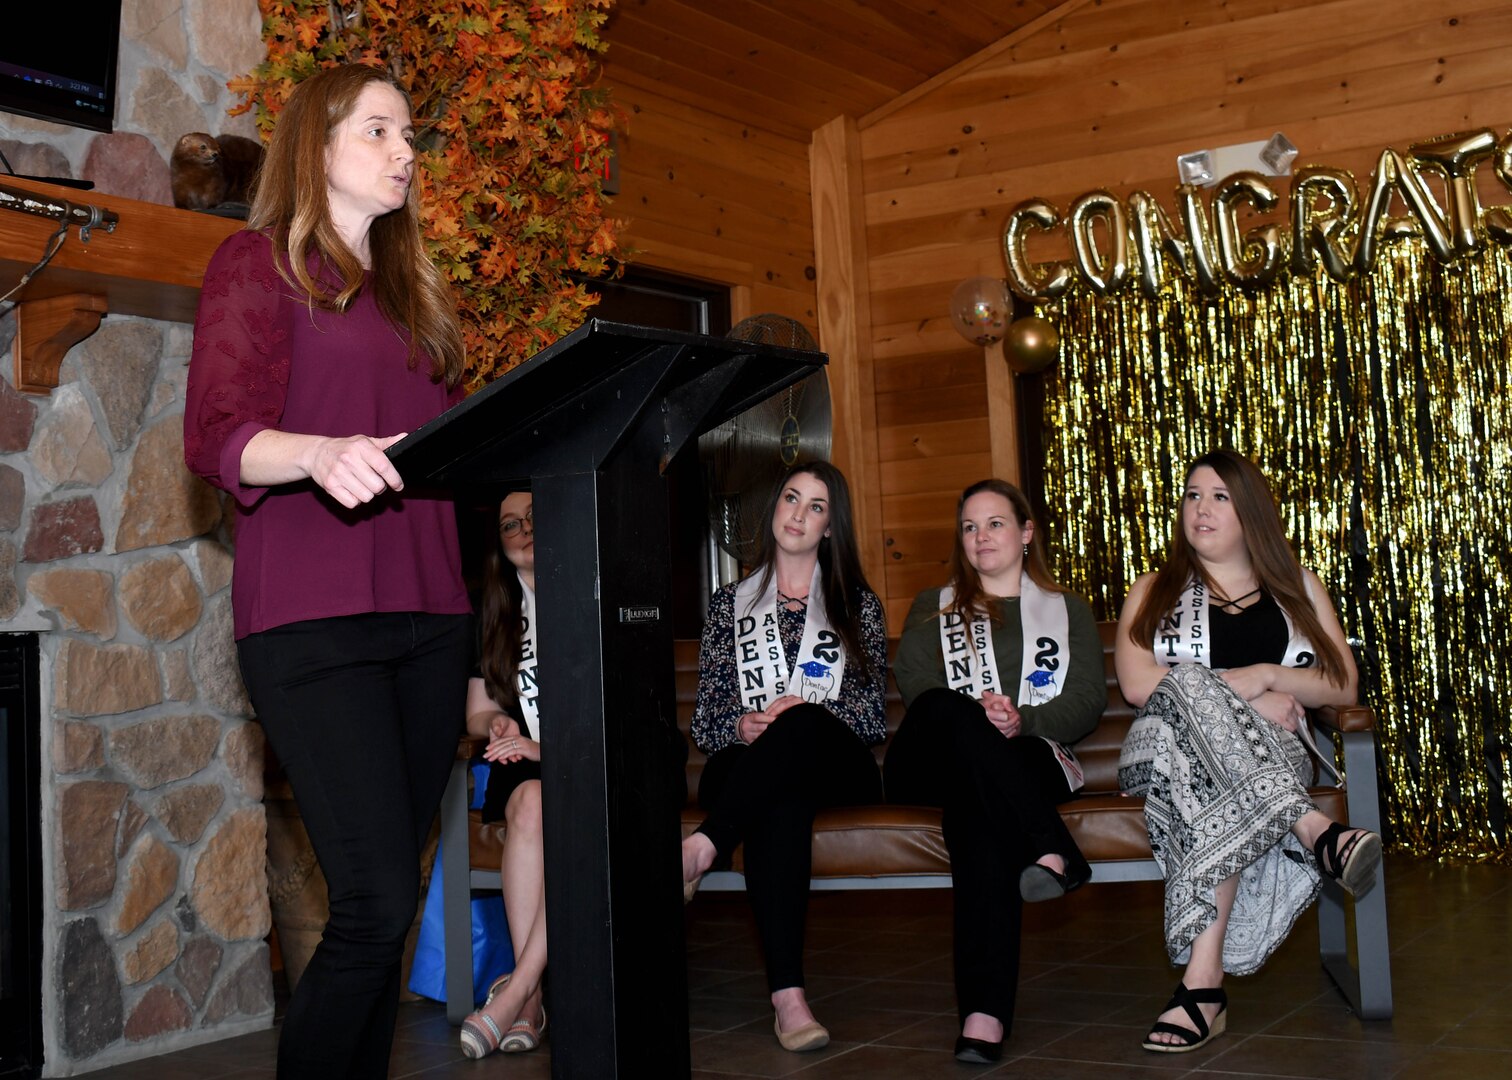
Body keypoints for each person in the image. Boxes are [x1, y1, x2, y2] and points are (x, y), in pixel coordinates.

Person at [184, 65, 472, 1078]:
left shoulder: (417, 294)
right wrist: (310, 450)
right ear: (319, 144)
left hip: (432, 615)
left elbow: (449, 453)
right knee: (375, 900)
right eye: (381, 130)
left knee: (380, 913)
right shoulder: (254, 267)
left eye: (410, 136)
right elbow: (214, 436)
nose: (406, 152)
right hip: (313, 622)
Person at [1115, 450, 1380, 1054]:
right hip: (1163, 753)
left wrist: (1266, 675)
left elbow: (1341, 684)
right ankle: (1314, 829)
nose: (1200, 508)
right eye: (1190, 495)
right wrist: (1244, 699)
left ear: (1250, 510)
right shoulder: (1155, 590)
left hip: (1265, 758)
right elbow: (1138, 684)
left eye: (1218, 496)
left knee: (1222, 785)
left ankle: (1202, 987)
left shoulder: (1295, 586)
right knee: (1181, 681)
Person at [884, 479, 1104, 1063]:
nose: (981, 537)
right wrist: (980, 720)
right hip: (930, 760)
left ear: (1027, 532)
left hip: (1027, 756)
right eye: (970, 527)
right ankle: (1052, 845)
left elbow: (1085, 701)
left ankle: (984, 1015)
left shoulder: (1067, 611)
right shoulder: (934, 604)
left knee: (980, 813)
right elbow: (916, 686)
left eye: (996, 523)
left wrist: (1020, 721)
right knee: (943, 708)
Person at [680, 460, 888, 1052]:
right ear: (774, 509)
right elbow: (706, 721)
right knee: (779, 800)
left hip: (836, 766)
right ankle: (788, 999)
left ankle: (703, 845)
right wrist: (742, 724)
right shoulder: (730, 605)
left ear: (830, 526)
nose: (798, 514)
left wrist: (805, 714)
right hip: (751, 766)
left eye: (816, 506)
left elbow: (871, 718)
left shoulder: (856, 606)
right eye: (791, 498)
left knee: (799, 729)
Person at [457, 492, 550, 1059]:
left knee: (576, 806)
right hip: (527, 767)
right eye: (510, 524)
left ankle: (518, 991)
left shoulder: (594, 588)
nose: (523, 530)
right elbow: (476, 709)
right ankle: (532, 994)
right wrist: (495, 724)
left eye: (534, 518)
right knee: (533, 804)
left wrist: (538, 743)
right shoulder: (494, 610)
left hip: (599, 763)